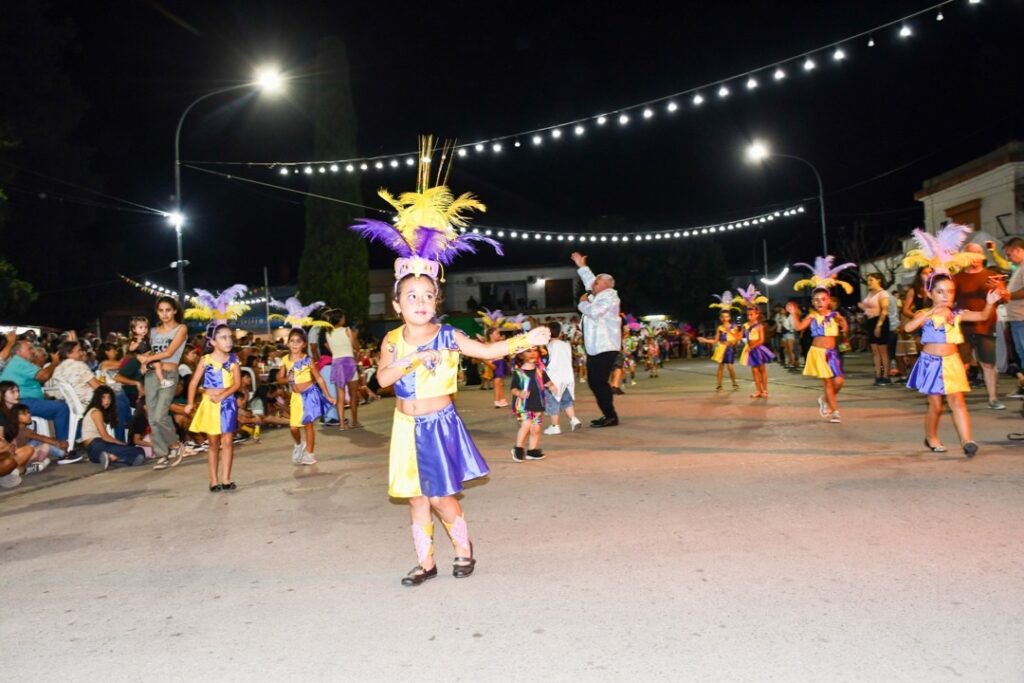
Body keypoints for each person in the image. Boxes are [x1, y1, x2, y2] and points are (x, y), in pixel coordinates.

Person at [349, 146, 549, 586]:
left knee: (441, 498)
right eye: (411, 296)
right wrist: (410, 360)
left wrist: (524, 339)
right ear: (397, 304)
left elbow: (488, 353)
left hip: (438, 426)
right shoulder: (392, 340)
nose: (420, 301)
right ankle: (426, 562)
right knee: (415, 499)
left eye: (427, 295)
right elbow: (381, 380)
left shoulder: (448, 334)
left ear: (436, 300)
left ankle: (463, 549)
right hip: (405, 427)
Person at [905, 275, 1001, 456]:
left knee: (958, 401)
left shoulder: (957, 314)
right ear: (929, 293)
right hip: (931, 363)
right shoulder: (924, 314)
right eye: (939, 292)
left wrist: (990, 303)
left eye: (949, 291)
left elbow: (982, 315)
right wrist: (930, 313)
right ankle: (931, 437)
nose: (945, 296)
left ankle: (967, 441)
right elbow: (908, 328)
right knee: (936, 406)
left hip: (952, 361)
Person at [788, 256, 855, 423]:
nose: (820, 302)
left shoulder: (835, 315)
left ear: (829, 301)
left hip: (832, 353)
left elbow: (844, 328)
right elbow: (799, 327)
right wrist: (794, 314)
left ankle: (825, 400)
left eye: (823, 299)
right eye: (816, 300)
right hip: (818, 353)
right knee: (828, 382)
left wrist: (844, 325)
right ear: (812, 302)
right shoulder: (812, 316)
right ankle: (834, 411)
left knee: (839, 382)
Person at [185, 324, 241, 491]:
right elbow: (193, 383)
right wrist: (190, 403)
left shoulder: (233, 360)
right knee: (213, 442)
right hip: (210, 405)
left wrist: (222, 396)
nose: (228, 341)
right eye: (223, 337)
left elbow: (237, 383)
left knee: (228, 441)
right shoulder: (205, 360)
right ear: (213, 342)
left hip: (227, 404)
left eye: (230, 337)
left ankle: (226, 479)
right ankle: (213, 480)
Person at [952, 242, 1006, 409]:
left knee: (988, 363)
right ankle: (956, 399)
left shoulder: (991, 275)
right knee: (962, 363)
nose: (975, 257)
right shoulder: (956, 277)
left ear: (983, 256)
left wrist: (1000, 291)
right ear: (964, 256)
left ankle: (993, 398)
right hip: (963, 326)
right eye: (971, 253)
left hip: (986, 325)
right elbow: (948, 299)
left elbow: (1005, 298)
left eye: (978, 253)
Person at [137, 297, 188, 470]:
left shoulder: (181, 329)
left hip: (169, 374)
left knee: (160, 415)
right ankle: (161, 454)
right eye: (161, 310)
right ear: (157, 312)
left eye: (168, 310)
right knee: (152, 416)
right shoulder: (152, 332)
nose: (164, 314)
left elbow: (170, 352)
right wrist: (143, 362)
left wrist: (148, 359)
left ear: (174, 311)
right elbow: (143, 351)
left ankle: (175, 443)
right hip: (152, 375)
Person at [571, 251, 621, 427]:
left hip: (605, 346)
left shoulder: (609, 296)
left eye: (597, 283)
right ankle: (608, 414)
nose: (593, 284)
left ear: (607, 285)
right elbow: (589, 281)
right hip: (597, 347)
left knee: (598, 382)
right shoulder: (599, 295)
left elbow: (594, 312)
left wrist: (582, 303)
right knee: (595, 382)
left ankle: (611, 416)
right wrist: (582, 266)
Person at [278, 328, 336, 465]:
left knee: (308, 425)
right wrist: (288, 379)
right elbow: (279, 379)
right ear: (288, 343)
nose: (295, 344)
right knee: (293, 427)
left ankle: (310, 454)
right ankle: (299, 444)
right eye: (292, 341)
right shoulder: (285, 360)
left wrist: (328, 395)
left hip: (310, 395)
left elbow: (319, 378)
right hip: (296, 397)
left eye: (298, 341)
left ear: (304, 344)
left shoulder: (308, 360)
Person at [0, 339, 70, 442]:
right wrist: (54, 362)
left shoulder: (19, 362)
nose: (33, 351)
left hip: (27, 400)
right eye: (29, 349)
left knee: (64, 404)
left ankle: (75, 437)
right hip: (21, 401)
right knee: (62, 408)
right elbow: (44, 376)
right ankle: (64, 443)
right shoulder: (18, 362)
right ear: (18, 352)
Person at [81, 386, 146, 469]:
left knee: (137, 453)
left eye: (109, 398)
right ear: (97, 398)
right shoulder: (96, 412)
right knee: (139, 450)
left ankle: (112, 458)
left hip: (92, 453)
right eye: (103, 397)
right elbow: (105, 437)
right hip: (97, 445)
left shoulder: (96, 411)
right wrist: (122, 444)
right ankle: (118, 458)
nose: (107, 401)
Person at [509, 347, 554, 462]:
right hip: (523, 406)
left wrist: (552, 386)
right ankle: (518, 448)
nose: (533, 353)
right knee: (526, 425)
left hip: (538, 404)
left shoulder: (540, 371)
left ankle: (532, 450)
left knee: (536, 429)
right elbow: (513, 389)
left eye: (535, 350)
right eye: (528, 351)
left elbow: (547, 382)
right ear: (521, 355)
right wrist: (519, 393)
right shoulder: (519, 373)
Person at [543, 322, 582, 435]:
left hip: (554, 379)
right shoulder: (566, 345)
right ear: (560, 333)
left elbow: (545, 362)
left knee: (553, 402)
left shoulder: (548, 346)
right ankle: (574, 419)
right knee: (566, 401)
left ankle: (555, 426)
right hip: (567, 377)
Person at [736, 287, 775, 399]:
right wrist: (733, 332)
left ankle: (765, 390)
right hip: (750, 350)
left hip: (758, 349)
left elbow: (761, 340)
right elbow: (739, 337)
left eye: (752, 314)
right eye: (748, 315)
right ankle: (758, 390)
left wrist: (752, 347)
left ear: (757, 314)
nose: (749, 317)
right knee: (754, 371)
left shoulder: (759, 326)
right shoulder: (745, 325)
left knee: (762, 370)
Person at [325, 309, 362, 429]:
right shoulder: (347, 330)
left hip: (337, 364)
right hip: (349, 362)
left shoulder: (328, 333)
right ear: (340, 319)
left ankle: (341, 424)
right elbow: (356, 347)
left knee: (340, 396)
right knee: (353, 395)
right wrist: (355, 338)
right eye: (343, 317)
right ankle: (354, 421)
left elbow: (331, 349)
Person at [857, 273, 893, 386]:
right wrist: (863, 310)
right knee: (875, 351)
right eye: (868, 280)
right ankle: (878, 375)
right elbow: (868, 308)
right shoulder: (870, 293)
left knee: (883, 351)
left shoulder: (883, 293)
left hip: (880, 320)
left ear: (879, 280)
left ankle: (886, 376)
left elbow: (885, 310)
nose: (869, 282)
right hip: (871, 321)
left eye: (871, 280)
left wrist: (879, 325)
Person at [698, 306, 741, 391]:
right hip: (721, 348)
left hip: (729, 349)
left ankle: (734, 383)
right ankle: (719, 385)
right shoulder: (720, 328)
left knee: (730, 367)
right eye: (723, 317)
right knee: (720, 367)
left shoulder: (734, 326)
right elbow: (715, 340)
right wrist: (704, 340)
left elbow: (738, 338)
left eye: (727, 316)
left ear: (729, 317)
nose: (725, 318)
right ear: (721, 318)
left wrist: (733, 341)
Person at [128, 317, 173, 389]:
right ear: (134, 329)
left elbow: (150, 347)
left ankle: (162, 381)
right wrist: (137, 343)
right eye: (141, 327)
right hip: (140, 356)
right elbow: (131, 348)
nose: (144, 329)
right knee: (141, 357)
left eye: (145, 327)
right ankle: (144, 366)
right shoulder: (135, 339)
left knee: (158, 364)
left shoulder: (146, 338)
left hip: (148, 355)